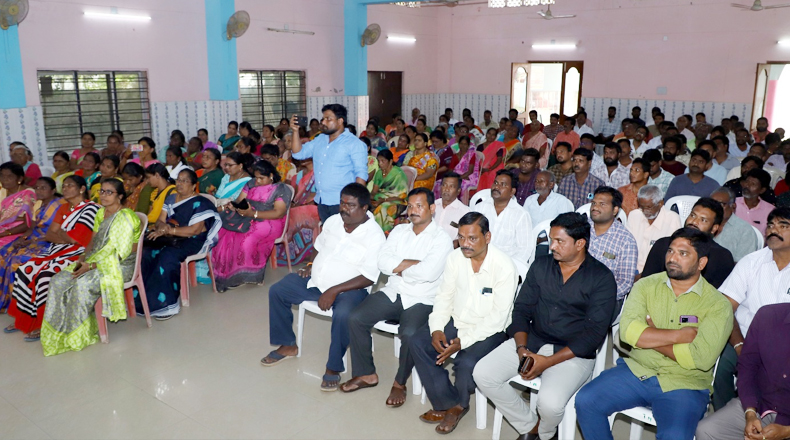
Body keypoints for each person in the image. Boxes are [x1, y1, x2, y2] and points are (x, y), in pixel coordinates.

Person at [576, 227, 733, 440]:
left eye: (683, 253)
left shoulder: (718, 305)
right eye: (670, 251)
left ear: (701, 263)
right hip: (637, 370)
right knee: (586, 400)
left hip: (684, 384)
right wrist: (679, 336)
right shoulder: (645, 286)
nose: (672, 258)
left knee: (675, 436)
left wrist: (650, 335)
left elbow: (700, 358)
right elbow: (628, 333)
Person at [475, 212, 616, 440]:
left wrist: (546, 362)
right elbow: (521, 310)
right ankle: (531, 426)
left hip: (572, 352)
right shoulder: (541, 266)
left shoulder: (601, 278)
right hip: (534, 339)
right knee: (483, 373)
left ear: (580, 244)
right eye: (551, 240)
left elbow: (593, 335)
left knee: (549, 405)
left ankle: (546, 433)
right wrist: (522, 349)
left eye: (560, 241)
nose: (552, 246)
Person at [261, 183, 386, 391]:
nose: (344, 208)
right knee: (278, 290)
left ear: (365, 208)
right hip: (317, 282)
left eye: (351, 205)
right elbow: (318, 247)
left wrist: (334, 290)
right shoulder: (333, 221)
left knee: (343, 314)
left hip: (350, 290)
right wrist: (310, 264)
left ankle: (334, 367)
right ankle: (288, 345)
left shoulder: (375, 236)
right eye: (342, 203)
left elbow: (369, 277)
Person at [340, 188, 453, 406]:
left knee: (410, 333)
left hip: (423, 298)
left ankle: (400, 383)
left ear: (432, 208)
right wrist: (413, 265)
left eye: (419, 206)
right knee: (356, 318)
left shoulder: (442, 239)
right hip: (394, 291)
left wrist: (399, 266)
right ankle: (366, 374)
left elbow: (429, 274)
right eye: (410, 206)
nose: (413, 210)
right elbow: (382, 262)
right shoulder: (400, 231)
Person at [410, 212, 518, 434]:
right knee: (418, 342)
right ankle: (447, 402)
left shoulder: (504, 266)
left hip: (492, 329)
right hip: (458, 319)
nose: (465, 244)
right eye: (461, 237)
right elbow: (444, 297)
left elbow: (498, 318)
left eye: (472, 238)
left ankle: (460, 404)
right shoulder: (454, 258)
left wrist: (464, 341)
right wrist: (437, 328)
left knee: (466, 363)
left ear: (487, 237)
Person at [40, 179, 141, 355]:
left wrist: (92, 266)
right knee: (58, 280)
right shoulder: (101, 213)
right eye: (102, 191)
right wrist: (83, 259)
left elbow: (121, 254)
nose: (104, 195)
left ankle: (79, 334)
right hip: (96, 259)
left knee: (82, 283)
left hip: (120, 265)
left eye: (109, 192)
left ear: (120, 196)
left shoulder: (126, 217)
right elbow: (92, 242)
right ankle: (59, 330)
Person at [712, 207, 790, 413]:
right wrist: (739, 344)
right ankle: (724, 417)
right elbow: (725, 308)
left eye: (783, 225)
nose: (774, 230)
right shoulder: (751, 262)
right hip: (745, 340)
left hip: (786, 348)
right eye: (771, 225)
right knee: (721, 368)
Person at [4, 175, 100, 341]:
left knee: (44, 275)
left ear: (82, 189)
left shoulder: (91, 209)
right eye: (64, 185)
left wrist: (62, 234)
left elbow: (76, 240)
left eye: (70, 185)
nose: (66, 188)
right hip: (57, 249)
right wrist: (64, 236)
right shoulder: (63, 208)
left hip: (79, 253)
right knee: (24, 269)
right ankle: (25, 320)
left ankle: (45, 323)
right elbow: (50, 234)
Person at [696, 303, 790, 440]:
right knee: (707, 430)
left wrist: (786, 432)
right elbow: (747, 366)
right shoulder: (769, 316)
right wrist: (750, 412)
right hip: (761, 404)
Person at [136, 169, 220, 320]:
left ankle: (167, 305)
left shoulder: (201, 203)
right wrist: (162, 227)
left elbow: (195, 230)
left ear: (193, 185)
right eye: (178, 180)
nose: (180, 184)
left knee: (166, 256)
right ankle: (143, 301)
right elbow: (160, 220)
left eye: (184, 181)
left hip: (192, 239)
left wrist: (170, 230)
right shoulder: (171, 198)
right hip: (170, 236)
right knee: (146, 252)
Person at [211, 161, 289, 291]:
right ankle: (225, 273)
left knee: (245, 237)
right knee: (224, 232)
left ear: (271, 175)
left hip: (270, 220)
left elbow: (278, 212)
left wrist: (254, 214)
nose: (257, 181)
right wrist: (236, 207)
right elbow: (240, 201)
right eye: (256, 177)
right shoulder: (251, 183)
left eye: (261, 178)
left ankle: (246, 275)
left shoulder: (280, 189)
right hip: (247, 216)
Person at [290, 104, 368, 223]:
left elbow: (361, 174)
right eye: (323, 119)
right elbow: (298, 153)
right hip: (322, 200)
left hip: (343, 202)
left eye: (328, 119)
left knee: (344, 233)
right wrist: (295, 131)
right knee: (329, 232)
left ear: (340, 121)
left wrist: (356, 203)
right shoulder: (320, 139)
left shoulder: (354, 143)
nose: (323, 122)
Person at [0, 177, 64, 312]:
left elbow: (58, 232)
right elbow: (32, 227)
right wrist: (22, 238)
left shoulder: (59, 206)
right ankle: (8, 301)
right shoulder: (39, 206)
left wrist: (31, 241)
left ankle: (22, 306)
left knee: (17, 260)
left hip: (49, 242)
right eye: (37, 188)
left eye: (43, 188)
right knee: (6, 252)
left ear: (53, 190)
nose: (39, 191)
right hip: (34, 239)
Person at [640, 197, 735, 287]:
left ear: (714, 228)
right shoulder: (663, 244)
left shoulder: (722, 257)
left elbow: (717, 296)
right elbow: (645, 283)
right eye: (692, 215)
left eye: (703, 220)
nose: (694, 222)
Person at [473, 170, 535, 277]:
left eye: (503, 185)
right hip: (478, 261)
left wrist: (508, 268)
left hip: (505, 267)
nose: (497, 187)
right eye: (496, 183)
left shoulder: (521, 214)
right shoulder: (480, 208)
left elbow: (525, 249)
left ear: (512, 192)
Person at [588, 187, 638, 312]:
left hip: (606, 299)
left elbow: (625, 283)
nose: (595, 207)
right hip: (576, 291)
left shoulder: (626, 240)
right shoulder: (581, 228)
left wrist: (600, 296)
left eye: (602, 204)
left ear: (615, 210)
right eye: (593, 203)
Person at [627, 185, 682, 272]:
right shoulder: (634, 215)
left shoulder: (672, 219)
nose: (645, 211)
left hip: (656, 271)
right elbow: (627, 247)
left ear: (660, 203)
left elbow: (672, 253)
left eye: (648, 207)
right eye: (642, 207)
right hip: (632, 268)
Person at [277, 158, 319, 265]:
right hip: (301, 204)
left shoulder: (320, 172)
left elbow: (321, 193)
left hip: (315, 206)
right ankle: (295, 252)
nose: (303, 158)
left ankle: (307, 252)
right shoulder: (299, 175)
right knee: (289, 214)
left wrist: (308, 202)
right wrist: (296, 204)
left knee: (298, 214)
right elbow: (295, 196)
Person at [710, 187, 761, 262]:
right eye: (711, 204)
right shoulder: (702, 223)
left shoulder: (745, 231)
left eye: (721, 204)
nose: (714, 208)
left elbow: (744, 264)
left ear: (733, 207)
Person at [370, 149, 409, 234]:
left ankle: (384, 233)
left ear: (390, 161)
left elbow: (402, 196)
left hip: (398, 201)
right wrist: (371, 199)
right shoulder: (379, 173)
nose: (380, 163)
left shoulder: (398, 174)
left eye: (383, 161)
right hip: (381, 199)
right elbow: (374, 191)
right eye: (378, 161)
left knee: (382, 208)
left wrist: (383, 200)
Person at [0, 162, 35, 249]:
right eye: (2, 176)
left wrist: (6, 233)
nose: (4, 179)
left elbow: (27, 224)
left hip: (16, 233)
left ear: (20, 178)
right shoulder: (2, 191)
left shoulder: (28, 194)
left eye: (10, 176)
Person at [734, 168, 775, 234]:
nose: (747, 185)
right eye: (747, 182)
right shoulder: (733, 203)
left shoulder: (770, 211)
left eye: (753, 184)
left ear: (762, 190)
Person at [433, 172, 469, 241]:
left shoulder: (464, 212)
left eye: (451, 186)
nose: (446, 189)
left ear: (458, 191)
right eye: (444, 185)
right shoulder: (431, 206)